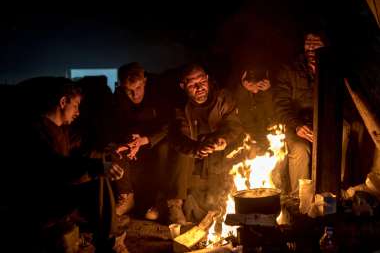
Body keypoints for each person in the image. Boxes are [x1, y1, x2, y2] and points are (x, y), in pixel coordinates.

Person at [8, 77, 128, 252]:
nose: (78, 112)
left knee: (99, 166)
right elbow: (57, 168)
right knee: (97, 177)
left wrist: (108, 152)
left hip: (59, 191)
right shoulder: (34, 132)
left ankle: (107, 233)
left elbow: (79, 152)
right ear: (63, 102)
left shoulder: (60, 129)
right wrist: (98, 168)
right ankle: (108, 243)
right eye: (76, 105)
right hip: (42, 200)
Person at [169, 64, 244, 224]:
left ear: (208, 79)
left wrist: (223, 140)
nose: (199, 87)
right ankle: (174, 203)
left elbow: (234, 126)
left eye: (202, 81)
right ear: (183, 86)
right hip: (193, 158)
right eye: (192, 84)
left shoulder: (223, 98)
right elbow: (178, 137)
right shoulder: (180, 107)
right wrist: (196, 149)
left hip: (219, 154)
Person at [112, 62, 170, 221]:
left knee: (165, 149)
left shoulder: (159, 93)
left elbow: (169, 125)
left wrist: (146, 139)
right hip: (135, 141)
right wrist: (130, 141)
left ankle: (161, 200)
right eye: (129, 91)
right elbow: (117, 125)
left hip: (156, 139)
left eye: (138, 88)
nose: (135, 95)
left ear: (144, 81)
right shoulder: (118, 99)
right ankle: (127, 197)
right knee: (117, 148)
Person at [274, 32, 326, 195]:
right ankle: (299, 201)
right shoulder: (290, 70)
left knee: (342, 135)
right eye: (308, 42)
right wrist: (297, 125)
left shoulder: (333, 67)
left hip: (327, 122)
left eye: (316, 42)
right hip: (298, 124)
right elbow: (280, 104)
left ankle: (332, 196)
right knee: (299, 149)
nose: (311, 47)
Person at [232, 67, 275, 152]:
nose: (255, 90)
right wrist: (243, 89)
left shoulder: (271, 90)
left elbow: (272, 115)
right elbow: (241, 118)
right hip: (246, 139)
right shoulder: (236, 92)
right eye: (251, 83)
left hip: (267, 137)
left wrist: (266, 92)